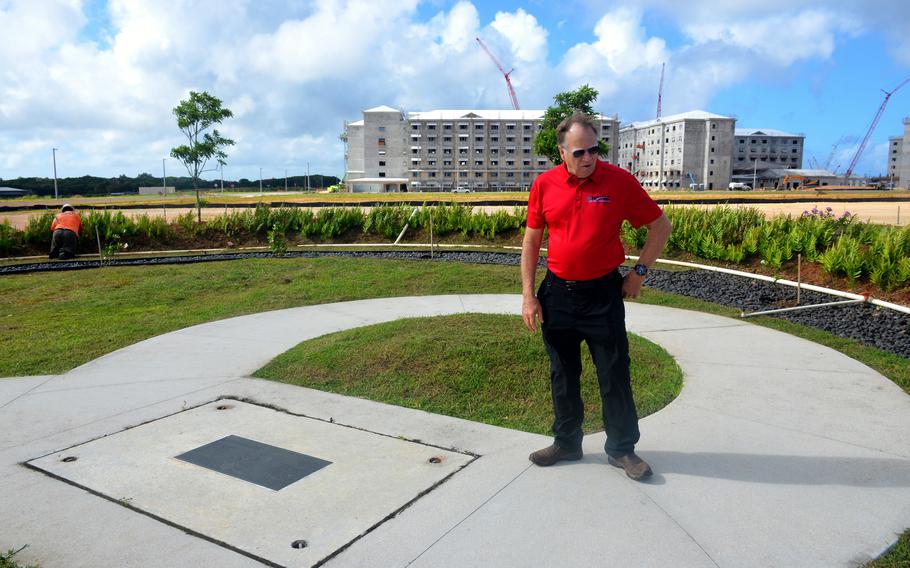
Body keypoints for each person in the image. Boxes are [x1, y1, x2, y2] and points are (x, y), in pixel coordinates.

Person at [521, 112, 672, 481]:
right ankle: (567, 442)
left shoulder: (619, 182)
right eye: (579, 153)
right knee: (563, 373)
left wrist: (639, 273)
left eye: (593, 150)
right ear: (561, 153)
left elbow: (660, 226)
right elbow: (532, 240)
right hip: (557, 293)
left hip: (603, 294)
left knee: (614, 373)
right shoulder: (544, 185)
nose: (588, 158)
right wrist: (528, 294)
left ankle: (622, 449)